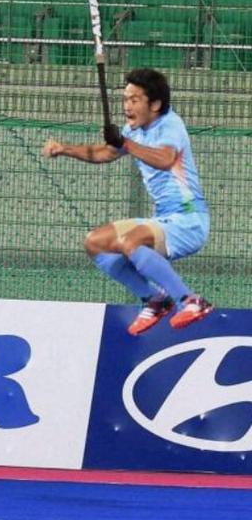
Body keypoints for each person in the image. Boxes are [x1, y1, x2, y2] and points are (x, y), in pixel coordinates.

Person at [42, 68, 213, 336]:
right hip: (164, 217)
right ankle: (154, 299)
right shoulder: (133, 131)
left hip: (189, 219)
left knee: (130, 241)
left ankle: (189, 300)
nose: (127, 106)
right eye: (125, 99)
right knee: (96, 243)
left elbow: (165, 159)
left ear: (154, 104)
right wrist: (65, 149)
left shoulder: (170, 125)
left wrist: (127, 143)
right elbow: (105, 153)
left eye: (134, 100)